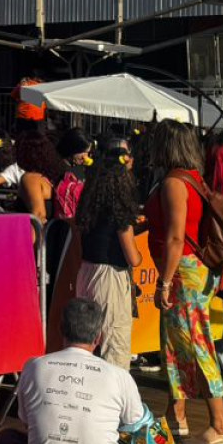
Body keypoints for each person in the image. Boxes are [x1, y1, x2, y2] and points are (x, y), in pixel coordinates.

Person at [0, 298, 151, 444]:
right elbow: (138, 424)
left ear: (61, 331)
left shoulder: (34, 367)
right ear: (98, 337)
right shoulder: (119, 376)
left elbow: (27, 424)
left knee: (5, 436)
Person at [144, 120, 223, 444]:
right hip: (193, 271)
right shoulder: (193, 179)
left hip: (183, 272)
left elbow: (175, 237)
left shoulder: (173, 183)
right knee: (177, 344)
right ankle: (176, 414)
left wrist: (163, 283)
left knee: (196, 344)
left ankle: (220, 424)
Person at [68, 156, 145, 375]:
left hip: (86, 273)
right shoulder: (121, 215)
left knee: (86, 339)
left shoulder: (87, 211)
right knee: (114, 344)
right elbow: (134, 259)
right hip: (110, 278)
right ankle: (113, 401)